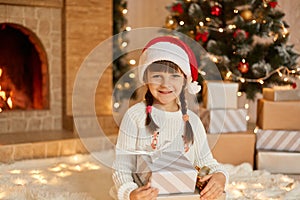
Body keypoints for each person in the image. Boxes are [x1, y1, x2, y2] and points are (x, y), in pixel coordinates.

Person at [112, 36, 228, 200]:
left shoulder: (192, 121)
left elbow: (206, 163)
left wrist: (220, 176)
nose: (165, 84)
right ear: (146, 78)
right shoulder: (134, 116)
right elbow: (122, 166)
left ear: (185, 81)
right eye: (157, 76)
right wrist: (129, 193)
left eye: (174, 76)